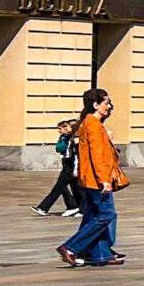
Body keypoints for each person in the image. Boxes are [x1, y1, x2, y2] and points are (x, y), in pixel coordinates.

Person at [56, 88, 123, 268]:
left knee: (94, 215)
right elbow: (97, 156)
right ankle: (71, 247)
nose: (109, 106)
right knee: (106, 215)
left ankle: (101, 254)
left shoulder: (90, 123)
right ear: (95, 105)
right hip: (96, 180)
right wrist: (105, 181)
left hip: (90, 178)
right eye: (106, 103)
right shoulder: (92, 124)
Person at [33, 118, 83, 218]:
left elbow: (78, 156)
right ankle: (76, 207)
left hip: (72, 165)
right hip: (67, 164)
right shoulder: (68, 138)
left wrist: (76, 169)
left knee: (61, 187)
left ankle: (44, 207)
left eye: (67, 126)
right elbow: (59, 148)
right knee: (73, 188)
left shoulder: (76, 139)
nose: (64, 128)